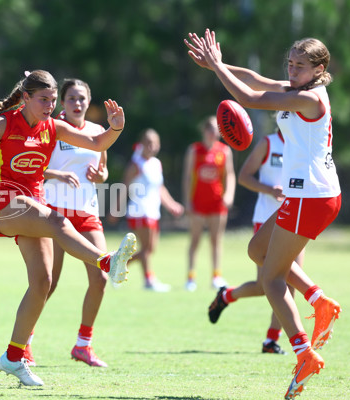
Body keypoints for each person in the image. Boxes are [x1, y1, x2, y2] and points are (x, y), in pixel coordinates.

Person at [186, 30, 341, 399]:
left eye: (300, 66)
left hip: (312, 196)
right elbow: (257, 80)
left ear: (318, 69)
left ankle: (304, 354)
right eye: (289, 63)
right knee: (257, 250)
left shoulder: (310, 98)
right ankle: (320, 302)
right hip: (308, 195)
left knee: (271, 279)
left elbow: (250, 97)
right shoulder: (296, 88)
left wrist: (219, 70)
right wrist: (216, 64)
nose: (291, 70)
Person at [0, 70, 137, 386]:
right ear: (26, 98)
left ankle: (13, 358)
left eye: (53, 99)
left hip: (33, 203)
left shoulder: (53, 127)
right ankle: (107, 262)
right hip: (3, 201)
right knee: (58, 221)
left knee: (43, 282)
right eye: (44, 99)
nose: (50, 105)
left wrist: (117, 127)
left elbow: (98, 142)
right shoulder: (5, 123)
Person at [208, 128, 305, 355]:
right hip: (266, 220)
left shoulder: (303, 143)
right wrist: (269, 189)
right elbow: (244, 176)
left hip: (295, 220)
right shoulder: (268, 143)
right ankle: (226, 295)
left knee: (291, 283)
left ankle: (271, 341)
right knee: (264, 285)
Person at [37, 78, 110, 368]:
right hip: (55, 214)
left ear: (88, 101)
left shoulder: (97, 132)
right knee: (46, 283)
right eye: (71, 99)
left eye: (82, 98)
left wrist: (100, 177)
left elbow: (104, 171)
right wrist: (57, 174)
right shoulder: (52, 129)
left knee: (101, 277)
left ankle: (83, 345)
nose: (77, 103)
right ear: (62, 103)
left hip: (87, 213)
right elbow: (35, 166)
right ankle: (24, 342)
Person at [122, 129, 184, 291]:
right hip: (139, 210)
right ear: (142, 144)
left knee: (150, 249)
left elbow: (160, 188)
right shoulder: (136, 165)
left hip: (153, 210)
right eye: (148, 143)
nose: (152, 146)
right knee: (147, 248)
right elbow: (124, 187)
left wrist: (171, 205)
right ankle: (149, 280)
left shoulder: (156, 164)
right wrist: (116, 209)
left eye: (155, 143)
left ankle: (116, 265)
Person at [182, 115, 235, 291]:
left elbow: (230, 175)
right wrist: (187, 201)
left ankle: (216, 276)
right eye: (210, 128)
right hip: (198, 203)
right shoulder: (194, 150)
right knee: (195, 240)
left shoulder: (224, 151)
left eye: (216, 129)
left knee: (216, 240)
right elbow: (188, 176)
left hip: (217, 203)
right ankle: (191, 277)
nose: (213, 132)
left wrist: (229, 195)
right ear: (204, 131)